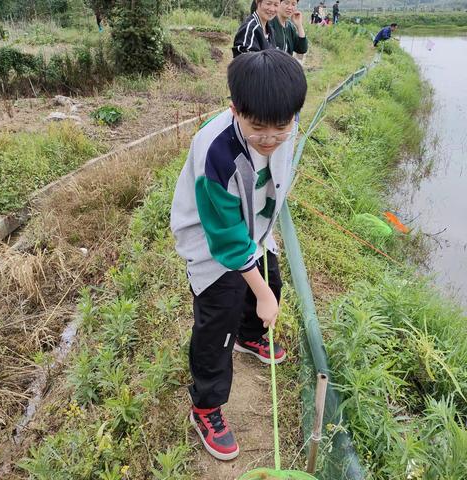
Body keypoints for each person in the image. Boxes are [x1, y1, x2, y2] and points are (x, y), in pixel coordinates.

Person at [170, 50, 307, 461]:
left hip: (254, 228)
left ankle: (251, 336)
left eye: (280, 127)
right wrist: (261, 293)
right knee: (219, 318)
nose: (270, 138)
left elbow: (273, 174)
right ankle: (206, 405)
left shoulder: (287, 125)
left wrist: (265, 286)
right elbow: (226, 240)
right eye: (258, 127)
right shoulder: (216, 151)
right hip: (212, 240)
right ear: (235, 110)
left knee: (271, 280)